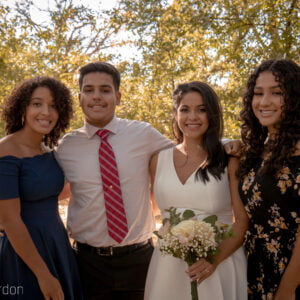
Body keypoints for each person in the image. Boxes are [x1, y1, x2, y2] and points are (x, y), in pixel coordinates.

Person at [55, 62, 241, 300]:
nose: (97, 97)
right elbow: (46, 189)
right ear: (79, 97)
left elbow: (189, 147)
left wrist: (227, 143)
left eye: (105, 89)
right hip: (86, 263)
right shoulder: (66, 147)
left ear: (118, 96)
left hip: (139, 259)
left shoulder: (142, 134)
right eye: (89, 90)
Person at [144, 81, 248, 299]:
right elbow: (156, 211)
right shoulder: (158, 160)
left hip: (219, 264)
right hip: (168, 267)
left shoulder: (228, 156)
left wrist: (213, 260)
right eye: (185, 109)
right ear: (175, 113)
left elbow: (242, 220)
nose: (193, 117)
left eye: (201, 110)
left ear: (212, 115)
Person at [0, 76, 83, 300]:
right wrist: (43, 274)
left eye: (53, 105)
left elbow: (51, 192)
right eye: (37, 104)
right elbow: (9, 220)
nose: (46, 112)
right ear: (22, 108)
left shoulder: (48, 150)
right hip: (26, 253)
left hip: (57, 243)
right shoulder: (6, 151)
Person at [238, 58, 300, 300]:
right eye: (258, 93)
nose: (264, 102)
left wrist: (287, 290)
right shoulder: (255, 151)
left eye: (276, 93)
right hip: (254, 270)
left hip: (291, 276)